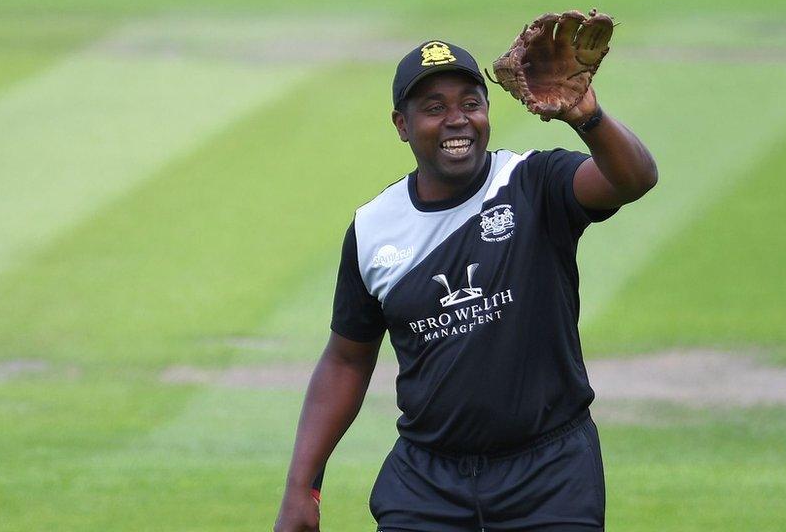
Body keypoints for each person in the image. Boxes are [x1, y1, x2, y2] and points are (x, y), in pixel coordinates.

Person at [274, 39, 657, 532]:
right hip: (427, 483)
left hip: (550, 475)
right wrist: (301, 486)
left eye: (470, 104)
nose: (457, 120)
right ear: (402, 126)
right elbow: (347, 358)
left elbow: (634, 179)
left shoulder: (533, 182)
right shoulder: (374, 228)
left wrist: (587, 115)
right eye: (434, 108)